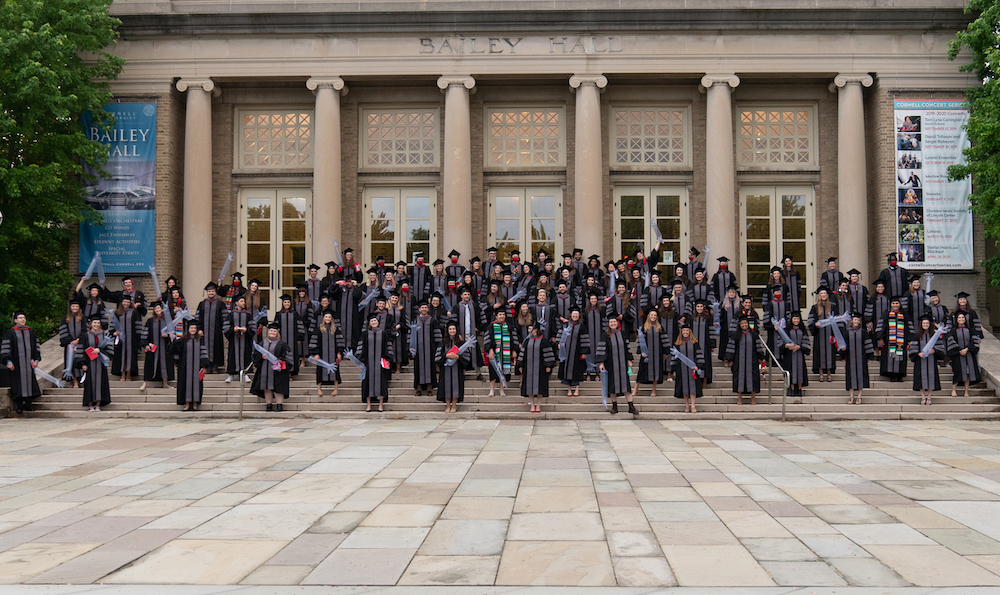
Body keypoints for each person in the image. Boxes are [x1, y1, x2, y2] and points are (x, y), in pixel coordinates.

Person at [2, 311, 42, 413]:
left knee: (29, 383)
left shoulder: (31, 331)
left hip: (29, 363)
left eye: (23, 318)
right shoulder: (10, 332)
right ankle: (19, 406)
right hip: (16, 364)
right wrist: (8, 361)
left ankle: (28, 405)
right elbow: (6, 348)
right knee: (17, 384)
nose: (22, 319)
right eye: (20, 318)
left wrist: (36, 359)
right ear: (15, 320)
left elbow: (36, 346)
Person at [596, 316, 634, 415]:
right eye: (611, 322)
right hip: (611, 365)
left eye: (614, 321)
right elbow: (602, 349)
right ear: (608, 324)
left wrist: (629, 360)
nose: (613, 323)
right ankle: (614, 406)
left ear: (617, 323)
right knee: (612, 386)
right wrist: (601, 363)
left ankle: (631, 406)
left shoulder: (623, 334)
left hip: (622, 364)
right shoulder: (605, 335)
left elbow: (627, 348)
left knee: (626, 385)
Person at [169, 319, 209, 411]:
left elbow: (203, 352)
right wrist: (172, 340)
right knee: (185, 384)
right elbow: (175, 350)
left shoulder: (200, 339)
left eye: (194, 328)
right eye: (191, 328)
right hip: (184, 367)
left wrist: (204, 366)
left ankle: (195, 404)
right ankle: (187, 404)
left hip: (197, 367)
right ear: (188, 329)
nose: (193, 329)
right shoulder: (183, 340)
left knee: (197, 385)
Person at [725, 315, 765, 405]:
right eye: (742, 323)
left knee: (753, 379)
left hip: (752, 360)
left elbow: (758, 347)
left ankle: (753, 399)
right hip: (738, 361)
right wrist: (730, 359)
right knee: (739, 379)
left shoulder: (754, 335)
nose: (744, 325)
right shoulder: (735, 336)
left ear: (748, 324)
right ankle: (739, 398)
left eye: (745, 323)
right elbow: (731, 348)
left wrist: (760, 357)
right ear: (739, 324)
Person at [252, 321, 292, 412]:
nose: (272, 333)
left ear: (277, 333)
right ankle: (268, 405)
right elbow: (255, 355)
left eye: (274, 331)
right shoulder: (262, 343)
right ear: (268, 332)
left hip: (278, 370)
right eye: (271, 331)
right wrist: (261, 357)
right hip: (264, 368)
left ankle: (279, 405)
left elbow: (288, 356)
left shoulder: (282, 344)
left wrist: (280, 359)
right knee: (267, 387)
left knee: (277, 387)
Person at [357, 314, 394, 413]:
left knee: (381, 383)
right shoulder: (365, 334)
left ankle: (380, 405)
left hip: (380, 363)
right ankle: (368, 405)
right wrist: (362, 360)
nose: (373, 322)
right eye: (372, 321)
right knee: (367, 383)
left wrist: (388, 359)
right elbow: (361, 347)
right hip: (368, 363)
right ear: (369, 323)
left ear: (378, 322)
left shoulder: (384, 333)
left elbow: (388, 346)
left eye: (375, 321)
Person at [78, 314, 114, 412]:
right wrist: (83, 363)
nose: (96, 324)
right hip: (89, 364)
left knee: (100, 383)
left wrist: (100, 351)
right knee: (89, 384)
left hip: (101, 364)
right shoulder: (85, 335)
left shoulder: (104, 335)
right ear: (91, 324)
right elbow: (81, 350)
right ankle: (90, 405)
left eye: (98, 323)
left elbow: (110, 349)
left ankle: (98, 404)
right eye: (94, 323)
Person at [517, 323, 556, 414]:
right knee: (529, 387)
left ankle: (538, 405)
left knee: (540, 387)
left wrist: (548, 365)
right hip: (528, 367)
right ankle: (532, 405)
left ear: (536, 330)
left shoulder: (544, 341)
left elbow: (548, 354)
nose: (530, 330)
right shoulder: (527, 341)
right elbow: (522, 354)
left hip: (540, 369)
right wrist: (520, 365)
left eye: (532, 329)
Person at [633, 308, 670, 399]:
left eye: (654, 315)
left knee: (656, 371)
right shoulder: (644, 327)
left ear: (656, 317)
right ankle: (635, 389)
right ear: (649, 317)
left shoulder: (660, 328)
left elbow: (665, 341)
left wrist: (666, 352)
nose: (653, 317)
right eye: (651, 315)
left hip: (657, 354)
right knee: (641, 370)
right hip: (646, 354)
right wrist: (641, 351)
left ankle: (654, 390)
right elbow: (640, 341)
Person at [909, 313, 945, 405]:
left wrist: (935, 351)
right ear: (921, 324)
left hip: (931, 360)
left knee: (931, 378)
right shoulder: (917, 335)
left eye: (927, 323)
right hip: (920, 360)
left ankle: (929, 397)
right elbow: (912, 347)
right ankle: (923, 397)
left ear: (930, 324)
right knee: (921, 378)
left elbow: (941, 348)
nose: (925, 325)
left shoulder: (934, 335)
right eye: (924, 323)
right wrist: (918, 353)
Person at [452, 286, 486, 380]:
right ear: (461, 296)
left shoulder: (474, 306)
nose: (467, 296)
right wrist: (457, 333)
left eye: (468, 294)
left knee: (476, 353)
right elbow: (453, 321)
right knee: (462, 353)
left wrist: (478, 328)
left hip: (472, 335)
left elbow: (481, 317)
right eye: (465, 294)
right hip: (461, 335)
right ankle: (461, 373)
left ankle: (478, 373)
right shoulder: (457, 306)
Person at [140, 301, 174, 392]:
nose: (157, 310)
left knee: (164, 365)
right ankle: (144, 384)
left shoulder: (167, 321)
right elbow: (144, 334)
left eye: (158, 308)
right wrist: (146, 344)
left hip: (164, 348)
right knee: (148, 365)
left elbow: (172, 335)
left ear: (162, 309)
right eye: (155, 309)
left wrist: (167, 336)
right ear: (154, 310)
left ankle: (165, 384)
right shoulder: (150, 321)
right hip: (152, 348)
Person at [436, 321, 469, 414]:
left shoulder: (461, 342)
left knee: (456, 386)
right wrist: (446, 356)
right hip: (445, 369)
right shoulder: (443, 342)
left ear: (456, 330)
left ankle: (454, 406)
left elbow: (467, 357)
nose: (452, 330)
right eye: (450, 329)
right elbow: (438, 355)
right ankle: (447, 406)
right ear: (447, 330)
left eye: (453, 329)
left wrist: (458, 357)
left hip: (457, 368)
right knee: (446, 386)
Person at [309, 310, 344, 397]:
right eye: (326, 317)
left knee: (335, 370)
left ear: (331, 319)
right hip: (322, 355)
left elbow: (340, 342)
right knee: (320, 370)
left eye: (329, 317)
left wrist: (339, 352)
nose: (327, 318)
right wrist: (316, 353)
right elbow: (314, 342)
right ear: (323, 318)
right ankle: (319, 389)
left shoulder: (335, 329)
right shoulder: (318, 329)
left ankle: (336, 389)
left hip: (334, 354)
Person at [224, 295, 257, 384]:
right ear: (236, 303)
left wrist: (247, 330)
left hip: (245, 340)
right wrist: (232, 330)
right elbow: (226, 327)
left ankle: (245, 373)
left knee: (245, 355)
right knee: (232, 355)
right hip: (233, 340)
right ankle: (231, 374)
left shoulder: (248, 315)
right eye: (241, 301)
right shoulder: (230, 314)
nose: (243, 303)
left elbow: (253, 328)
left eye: (244, 301)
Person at [841, 312, 873, 404]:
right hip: (850, 358)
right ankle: (851, 397)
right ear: (851, 321)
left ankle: (859, 397)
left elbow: (867, 344)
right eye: (855, 320)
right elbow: (843, 345)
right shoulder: (847, 332)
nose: (856, 321)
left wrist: (869, 356)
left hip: (861, 358)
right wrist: (843, 350)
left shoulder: (863, 332)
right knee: (851, 377)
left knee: (861, 377)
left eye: (858, 320)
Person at [485, 309, 518, 397]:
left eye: (503, 314)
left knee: (504, 371)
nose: (502, 316)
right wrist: (490, 349)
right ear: (496, 316)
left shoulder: (509, 326)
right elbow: (489, 338)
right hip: (495, 352)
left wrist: (514, 350)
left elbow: (513, 339)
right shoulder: (491, 326)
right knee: (493, 370)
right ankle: (492, 389)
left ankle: (501, 389)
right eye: (500, 314)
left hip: (505, 353)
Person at [947, 311, 981, 398]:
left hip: (968, 354)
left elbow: (973, 341)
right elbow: (951, 340)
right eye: (959, 318)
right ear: (956, 320)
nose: (961, 319)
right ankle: (954, 389)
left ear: (965, 319)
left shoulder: (970, 330)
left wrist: (967, 349)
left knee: (968, 372)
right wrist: (959, 350)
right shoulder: (953, 330)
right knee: (957, 372)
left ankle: (966, 391)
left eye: (963, 318)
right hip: (957, 355)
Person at [411, 300, 441, 397]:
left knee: (430, 367)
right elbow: (411, 335)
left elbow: (437, 336)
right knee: (418, 367)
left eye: (425, 307)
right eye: (422, 308)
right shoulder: (415, 320)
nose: (424, 309)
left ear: (428, 309)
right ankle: (418, 388)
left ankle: (429, 387)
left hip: (430, 348)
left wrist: (437, 348)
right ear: (419, 309)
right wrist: (411, 347)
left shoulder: (433, 321)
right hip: (418, 349)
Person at [557, 307, 589, 397]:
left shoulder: (582, 326)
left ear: (579, 316)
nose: (575, 316)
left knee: (577, 370)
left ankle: (577, 389)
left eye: (577, 314)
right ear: (571, 315)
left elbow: (584, 339)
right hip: (565, 352)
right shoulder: (566, 325)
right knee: (565, 369)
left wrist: (584, 352)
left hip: (577, 352)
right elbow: (560, 335)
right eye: (573, 314)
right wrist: (559, 343)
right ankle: (569, 389)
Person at [673, 323, 704, 413]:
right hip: (681, 369)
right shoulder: (677, 343)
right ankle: (687, 405)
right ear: (681, 332)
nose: (685, 332)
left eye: (687, 330)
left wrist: (698, 366)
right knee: (684, 388)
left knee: (693, 387)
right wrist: (673, 368)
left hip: (692, 369)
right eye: (684, 330)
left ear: (690, 332)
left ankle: (693, 405)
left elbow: (699, 355)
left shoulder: (695, 343)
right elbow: (674, 357)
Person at [807, 286, 837, 382]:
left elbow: (836, 321)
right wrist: (814, 325)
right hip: (819, 335)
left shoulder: (832, 307)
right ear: (819, 296)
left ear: (827, 295)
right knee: (820, 354)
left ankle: (829, 373)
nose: (823, 295)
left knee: (829, 354)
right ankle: (821, 373)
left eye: (825, 293)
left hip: (829, 335)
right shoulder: (815, 307)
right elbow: (810, 320)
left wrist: (836, 335)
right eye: (822, 294)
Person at [876, 295, 909, 383]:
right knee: (890, 357)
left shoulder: (904, 314)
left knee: (900, 357)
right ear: (891, 304)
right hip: (888, 341)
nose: (895, 305)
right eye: (893, 303)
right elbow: (881, 327)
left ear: (899, 304)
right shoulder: (886, 313)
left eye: (897, 303)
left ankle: (899, 375)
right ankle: (891, 375)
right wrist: (881, 338)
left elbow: (909, 328)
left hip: (901, 340)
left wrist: (909, 340)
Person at [196, 282, 227, 374]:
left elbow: (225, 318)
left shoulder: (220, 304)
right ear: (207, 292)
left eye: (212, 291)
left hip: (216, 331)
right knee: (204, 348)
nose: (211, 293)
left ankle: (215, 367)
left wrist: (225, 329)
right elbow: (197, 318)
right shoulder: (202, 304)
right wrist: (199, 329)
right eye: (209, 291)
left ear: (215, 292)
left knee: (216, 348)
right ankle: (207, 366)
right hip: (204, 332)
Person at [111, 296, 143, 382]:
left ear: (130, 303)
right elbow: (112, 326)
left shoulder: (135, 313)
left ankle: (129, 375)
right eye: (124, 302)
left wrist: (139, 340)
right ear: (121, 302)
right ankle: (122, 374)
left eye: (128, 302)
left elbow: (138, 327)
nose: (126, 304)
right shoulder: (117, 313)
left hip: (131, 340)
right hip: (120, 341)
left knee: (130, 357)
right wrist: (113, 333)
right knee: (121, 357)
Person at [274, 294, 307, 376]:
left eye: (288, 302)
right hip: (281, 340)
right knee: (282, 355)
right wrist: (276, 337)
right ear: (283, 303)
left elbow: (300, 326)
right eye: (285, 302)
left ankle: (290, 373)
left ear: (290, 303)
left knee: (292, 355)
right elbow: (275, 327)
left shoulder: (295, 314)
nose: (286, 304)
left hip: (293, 340)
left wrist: (299, 338)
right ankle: (282, 373)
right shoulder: (278, 314)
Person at [781, 311, 811, 399]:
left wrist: (800, 347)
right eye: (794, 318)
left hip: (799, 354)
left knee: (800, 371)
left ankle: (799, 389)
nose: (796, 320)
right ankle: (792, 388)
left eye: (798, 319)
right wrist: (786, 345)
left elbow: (806, 342)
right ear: (791, 319)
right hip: (789, 355)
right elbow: (781, 341)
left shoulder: (802, 330)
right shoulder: (787, 329)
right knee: (791, 370)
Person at [59, 301, 86, 389]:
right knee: (70, 363)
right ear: (70, 307)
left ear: (79, 308)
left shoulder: (83, 318)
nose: (74, 308)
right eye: (73, 306)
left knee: (77, 363)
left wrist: (78, 340)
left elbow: (84, 331)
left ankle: (76, 382)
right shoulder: (66, 318)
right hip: (69, 345)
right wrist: (70, 341)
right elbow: (63, 331)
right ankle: (72, 381)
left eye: (76, 306)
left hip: (79, 345)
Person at [689, 300, 715, 385]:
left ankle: (704, 382)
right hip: (693, 344)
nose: (699, 308)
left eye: (701, 306)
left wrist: (712, 343)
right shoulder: (691, 318)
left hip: (705, 344)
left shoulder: (707, 318)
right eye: (698, 306)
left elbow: (711, 330)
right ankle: (695, 381)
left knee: (706, 362)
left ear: (703, 308)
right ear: (695, 308)